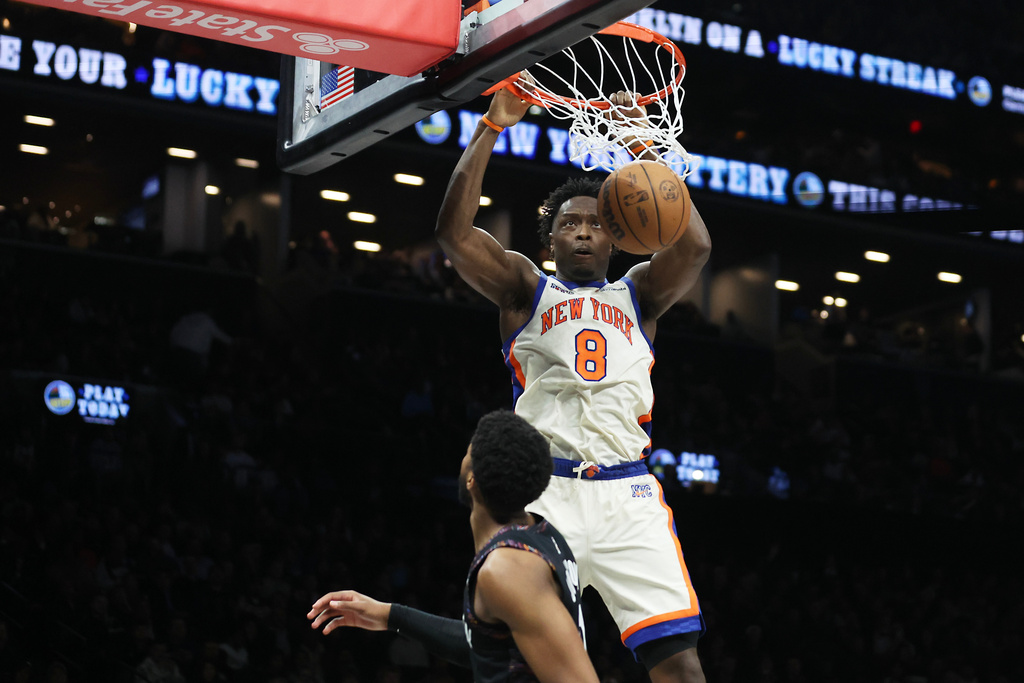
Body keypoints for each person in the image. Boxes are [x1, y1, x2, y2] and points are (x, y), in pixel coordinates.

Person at [432, 86, 713, 682]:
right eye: (569, 224)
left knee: (682, 670)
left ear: (617, 234)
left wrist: (637, 143)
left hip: (628, 495)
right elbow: (454, 235)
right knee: (536, 666)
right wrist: (490, 127)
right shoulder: (524, 290)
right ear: (550, 238)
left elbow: (696, 246)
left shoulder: (640, 296)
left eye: (594, 223)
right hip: (543, 492)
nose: (582, 232)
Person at [308, 410, 599, 683]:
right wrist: (389, 615)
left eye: (468, 452)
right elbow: (489, 643)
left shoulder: (508, 569)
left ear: (472, 479)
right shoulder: (542, 534)